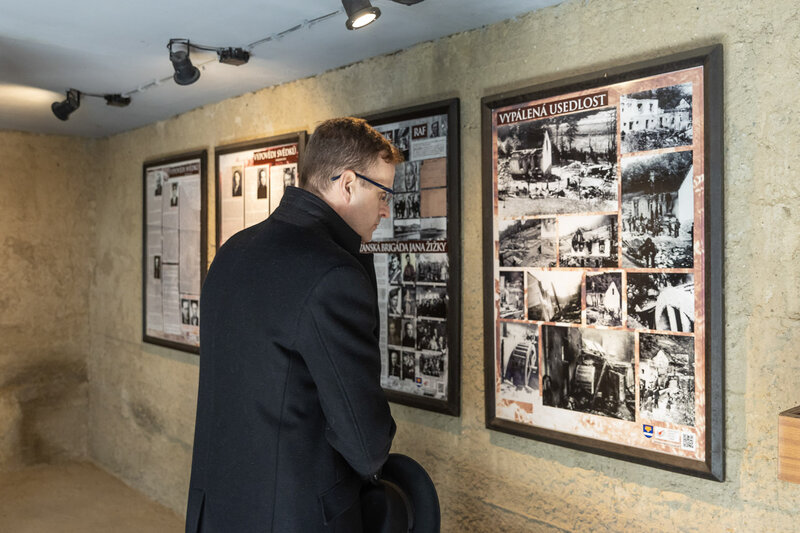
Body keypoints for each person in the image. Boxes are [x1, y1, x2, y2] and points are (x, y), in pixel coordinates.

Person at [186, 117, 401, 532]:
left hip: (218, 508)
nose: (385, 209)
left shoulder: (232, 251)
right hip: (294, 515)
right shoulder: (335, 273)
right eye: (382, 192)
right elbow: (365, 445)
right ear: (348, 184)